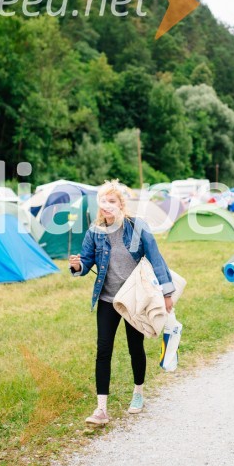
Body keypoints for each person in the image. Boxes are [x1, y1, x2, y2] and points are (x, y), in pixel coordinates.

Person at [69, 181, 175, 427]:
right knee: (103, 350)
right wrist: (77, 266)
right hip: (108, 300)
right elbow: (85, 262)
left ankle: (138, 393)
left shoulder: (137, 227)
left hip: (134, 301)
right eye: (103, 202)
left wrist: (167, 293)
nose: (107, 206)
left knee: (134, 348)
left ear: (121, 204)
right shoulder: (94, 232)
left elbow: (156, 259)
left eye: (112, 201)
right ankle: (101, 409)